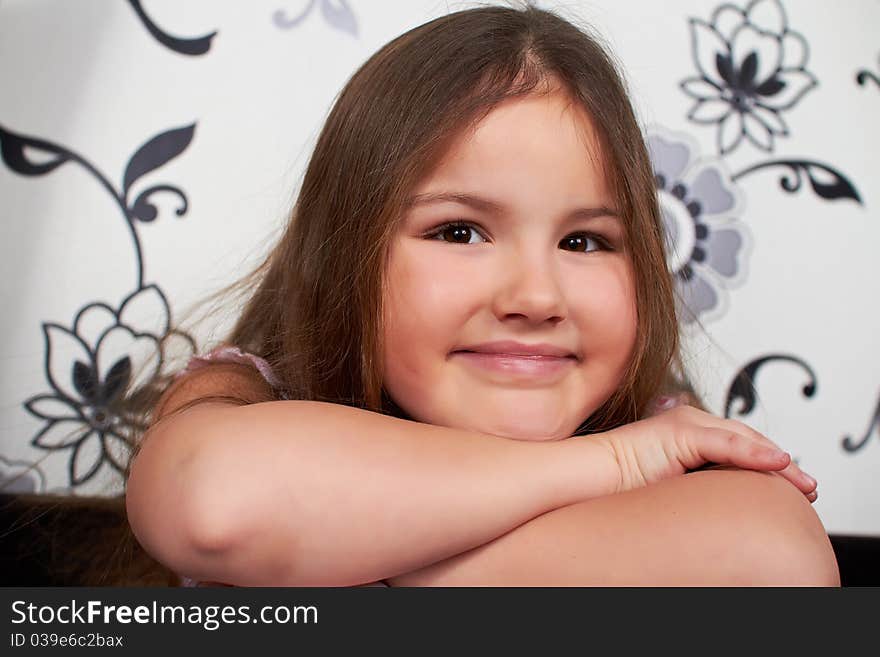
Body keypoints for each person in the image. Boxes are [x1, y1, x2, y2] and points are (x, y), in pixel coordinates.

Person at [124, 4, 839, 587]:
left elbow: (779, 561)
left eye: (584, 241)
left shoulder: (668, 437)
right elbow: (217, 505)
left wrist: (338, 551)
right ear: (341, 255)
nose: (535, 295)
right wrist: (612, 463)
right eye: (460, 230)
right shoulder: (244, 391)